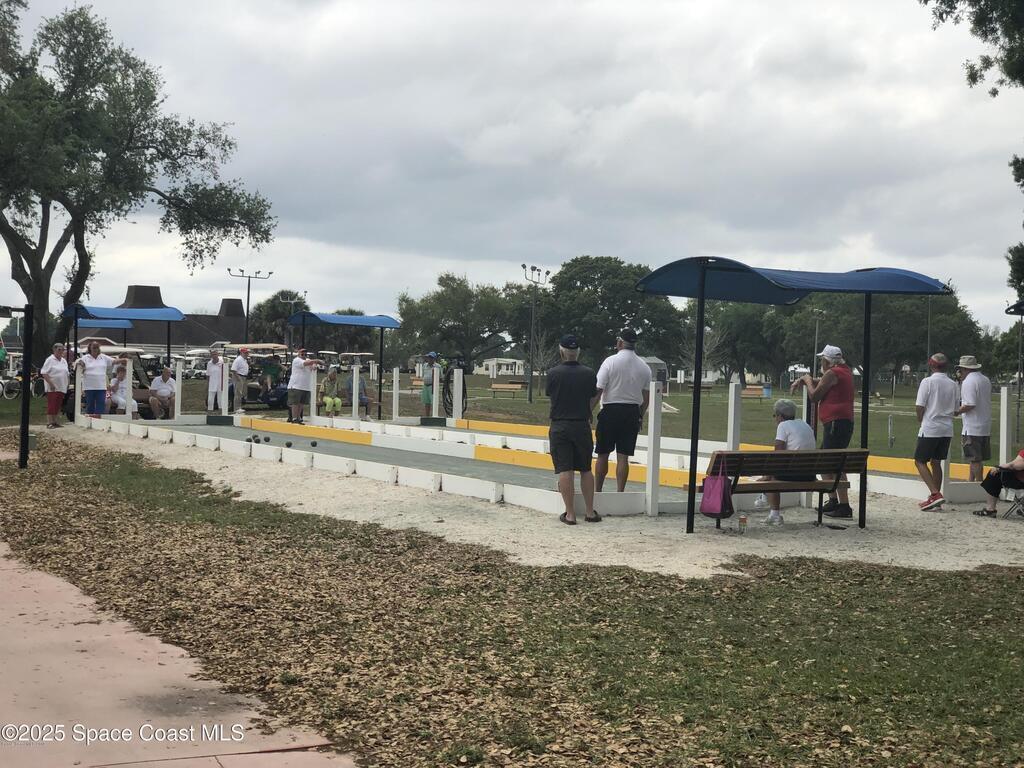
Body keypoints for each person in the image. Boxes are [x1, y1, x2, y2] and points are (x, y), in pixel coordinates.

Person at [791, 344, 855, 518]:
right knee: (825, 463)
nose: (821, 363)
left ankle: (844, 506)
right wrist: (804, 380)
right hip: (840, 423)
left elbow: (814, 396)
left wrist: (806, 379)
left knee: (834, 464)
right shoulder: (844, 371)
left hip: (836, 423)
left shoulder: (832, 373)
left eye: (822, 360)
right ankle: (833, 500)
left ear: (828, 361)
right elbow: (823, 382)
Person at [546, 334, 599, 525]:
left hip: (560, 424)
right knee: (586, 469)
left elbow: (551, 395)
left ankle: (570, 514)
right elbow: (591, 396)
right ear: (578, 352)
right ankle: (590, 511)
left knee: (564, 469)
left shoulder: (553, 373)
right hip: (581, 424)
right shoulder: (589, 373)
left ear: (561, 351)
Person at [593, 329, 651, 493]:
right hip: (631, 412)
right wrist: (640, 416)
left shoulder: (610, 362)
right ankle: (620, 492)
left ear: (620, 342)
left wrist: (589, 410)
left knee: (603, 454)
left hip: (610, 410)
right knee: (623, 456)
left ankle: (598, 491)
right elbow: (646, 398)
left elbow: (598, 389)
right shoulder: (644, 367)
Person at [760, 399, 817, 525]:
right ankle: (763, 495)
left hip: (794, 474)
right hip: (809, 474)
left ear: (780, 416)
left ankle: (773, 512)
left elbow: (778, 454)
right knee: (770, 474)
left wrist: (767, 475)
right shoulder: (805, 424)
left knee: (770, 478)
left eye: (775, 416)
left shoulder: (783, 425)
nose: (775, 419)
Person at [914, 353, 959, 510]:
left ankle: (935, 494)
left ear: (931, 365)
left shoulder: (927, 382)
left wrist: (920, 419)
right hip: (947, 428)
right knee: (936, 462)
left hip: (931, 427)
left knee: (919, 461)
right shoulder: (953, 384)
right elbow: (955, 409)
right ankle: (935, 499)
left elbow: (920, 405)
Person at [955, 355, 992, 482]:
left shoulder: (968, 382)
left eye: (960, 369)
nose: (959, 372)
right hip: (985, 425)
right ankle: (970, 481)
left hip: (972, 426)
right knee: (975, 458)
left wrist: (956, 411)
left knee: (974, 459)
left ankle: (979, 484)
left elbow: (970, 404)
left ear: (965, 369)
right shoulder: (985, 379)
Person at [75, 341, 127, 417]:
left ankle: (97, 419)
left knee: (101, 403)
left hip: (101, 386)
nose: (95, 349)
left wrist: (123, 360)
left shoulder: (103, 357)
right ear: (90, 348)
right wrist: (80, 363)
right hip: (89, 387)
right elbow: (78, 363)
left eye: (97, 347)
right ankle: (90, 420)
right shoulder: (85, 358)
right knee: (90, 404)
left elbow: (114, 361)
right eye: (94, 347)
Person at [975, 451, 1024, 517]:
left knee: (994, 474)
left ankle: (990, 509)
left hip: (1020, 483)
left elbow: (1015, 465)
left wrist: (998, 467)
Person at [40, 342, 70, 429]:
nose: (61, 351)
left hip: (62, 386)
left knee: (58, 405)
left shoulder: (64, 361)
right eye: (59, 349)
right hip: (53, 387)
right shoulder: (50, 360)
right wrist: (51, 384)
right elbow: (44, 373)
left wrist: (67, 383)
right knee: (52, 404)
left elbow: (66, 373)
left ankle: (55, 421)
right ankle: (49, 422)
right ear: (54, 350)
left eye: (62, 349)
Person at [287, 348, 321, 424]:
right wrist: (316, 361)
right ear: (298, 354)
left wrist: (314, 365)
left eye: (305, 354)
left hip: (305, 386)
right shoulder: (296, 360)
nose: (304, 355)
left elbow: (312, 366)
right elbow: (307, 363)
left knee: (301, 403)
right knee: (295, 403)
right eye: (302, 353)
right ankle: (294, 418)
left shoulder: (308, 360)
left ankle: (298, 417)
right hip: (296, 385)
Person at [230, 347, 250, 413]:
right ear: (241, 353)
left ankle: (239, 407)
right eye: (245, 353)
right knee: (238, 393)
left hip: (243, 377)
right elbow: (233, 369)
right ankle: (236, 408)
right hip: (239, 376)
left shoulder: (244, 360)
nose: (247, 354)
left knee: (241, 393)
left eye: (247, 353)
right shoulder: (238, 359)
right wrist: (238, 378)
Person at [421, 352, 439, 416]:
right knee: (426, 402)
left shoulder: (437, 366)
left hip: (433, 386)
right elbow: (423, 374)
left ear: (434, 359)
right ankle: (427, 416)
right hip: (425, 385)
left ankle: (434, 415)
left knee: (433, 401)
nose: (429, 359)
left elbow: (440, 377)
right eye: (429, 357)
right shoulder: (424, 365)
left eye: (431, 358)